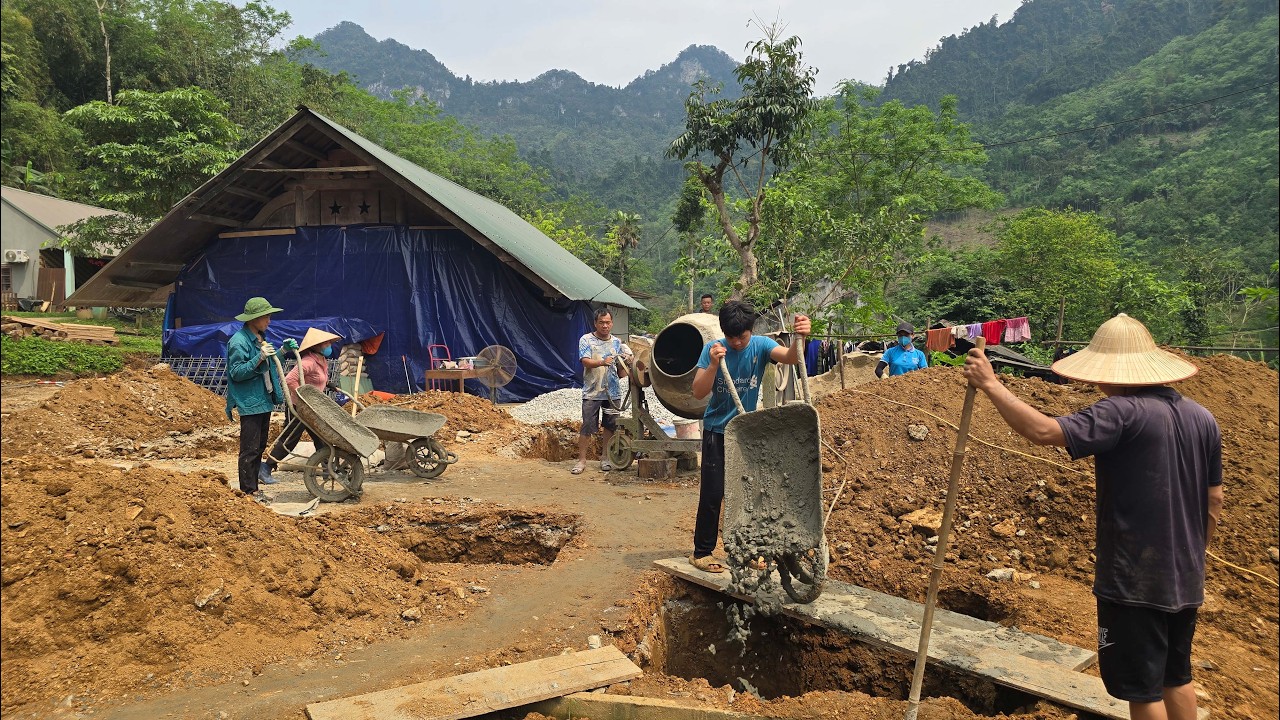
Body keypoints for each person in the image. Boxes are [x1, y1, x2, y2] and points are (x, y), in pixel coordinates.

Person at [962, 313, 1222, 720]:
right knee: (1176, 675)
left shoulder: (1119, 412)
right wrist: (1196, 555)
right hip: (1186, 574)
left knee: (1143, 689)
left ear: (1108, 370)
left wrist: (991, 384)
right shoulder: (1202, 418)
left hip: (1135, 577)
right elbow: (1215, 498)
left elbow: (1046, 431)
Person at [687, 300, 811, 573]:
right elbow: (697, 392)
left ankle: (746, 550)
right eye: (731, 338)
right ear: (723, 333)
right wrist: (712, 366)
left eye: (742, 337)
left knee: (749, 494)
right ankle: (702, 551)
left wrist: (801, 336)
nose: (737, 343)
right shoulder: (713, 350)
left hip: (746, 433)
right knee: (713, 493)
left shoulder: (762, 346)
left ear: (751, 331)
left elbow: (790, 357)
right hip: (717, 432)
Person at [261, 327, 341, 482]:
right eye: (327, 343)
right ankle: (266, 467)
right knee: (290, 439)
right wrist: (303, 396)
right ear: (317, 346)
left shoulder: (321, 360)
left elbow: (317, 379)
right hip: (299, 406)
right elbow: (290, 379)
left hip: (312, 407)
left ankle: (328, 469)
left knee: (321, 437)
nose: (330, 346)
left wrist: (329, 384)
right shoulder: (308, 362)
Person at [225, 297, 285, 500]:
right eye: (266, 316)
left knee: (259, 447)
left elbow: (269, 365)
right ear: (254, 319)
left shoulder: (260, 337)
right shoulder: (239, 341)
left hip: (263, 398)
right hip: (250, 401)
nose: (269, 320)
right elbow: (237, 372)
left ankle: (254, 489)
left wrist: (283, 352)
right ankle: (248, 492)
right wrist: (258, 357)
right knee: (249, 449)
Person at [574, 308, 635, 475]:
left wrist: (629, 363)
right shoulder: (586, 340)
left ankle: (605, 458)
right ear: (595, 323)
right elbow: (585, 361)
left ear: (612, 323)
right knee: (587, 426)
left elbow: (620, 372)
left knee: (610, 426)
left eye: (608, 322)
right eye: (601, 322)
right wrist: (602, 362)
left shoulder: (617, 343)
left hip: (613, 392)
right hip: (592, 391)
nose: (605, 326)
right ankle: (581, 460)